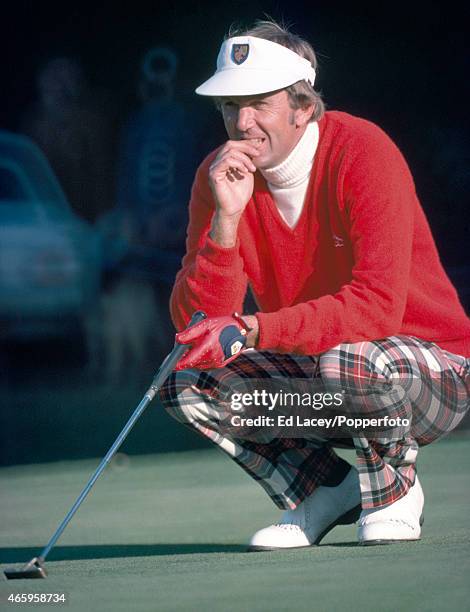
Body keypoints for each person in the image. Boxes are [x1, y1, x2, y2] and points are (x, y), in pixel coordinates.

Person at [159, 20, 470, 550]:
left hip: (433, 370)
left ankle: (394, 489)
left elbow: (374, 310)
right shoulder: (219, 177)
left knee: (348, 358)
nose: (242, 121)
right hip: (330, 375)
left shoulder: (363, 150)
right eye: (230, 105)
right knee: (187, 381)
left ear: (303, 107)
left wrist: (254, 328)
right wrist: (225, 225)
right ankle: (329, 489)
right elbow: (199, 326)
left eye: (259, 102)